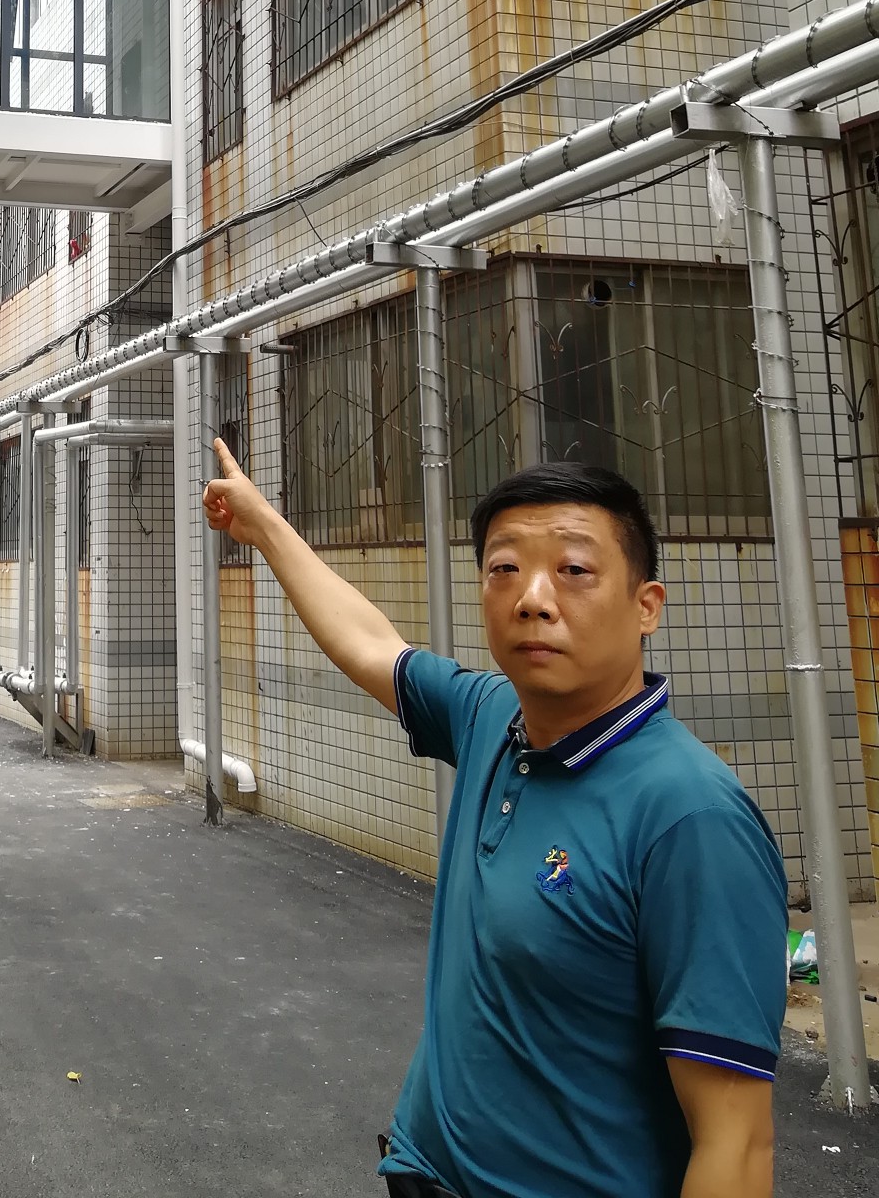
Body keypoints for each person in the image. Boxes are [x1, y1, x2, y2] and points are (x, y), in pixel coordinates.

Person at [201, 449, 787, 1198]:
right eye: (504, 569)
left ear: (646, 605)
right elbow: (372, 644)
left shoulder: (691, 818)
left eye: (574, 571)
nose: (533, 599)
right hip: (422, 1172)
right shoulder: (491, 716)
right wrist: (263, 526)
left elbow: (736, 1144)